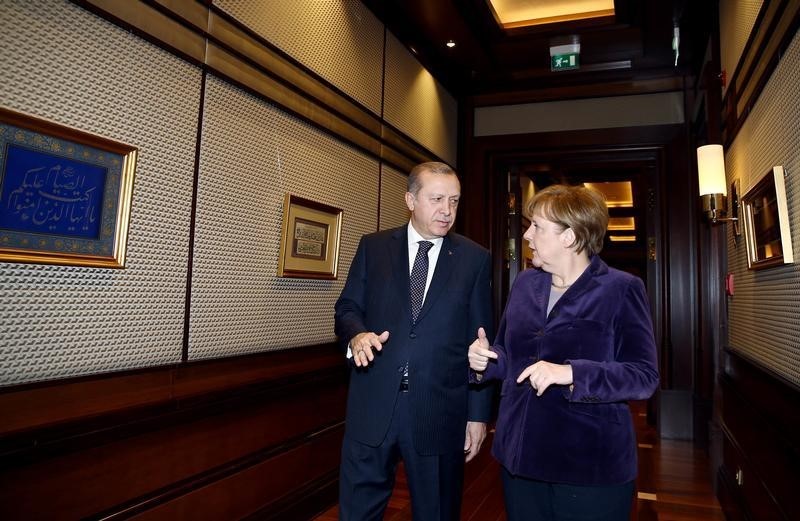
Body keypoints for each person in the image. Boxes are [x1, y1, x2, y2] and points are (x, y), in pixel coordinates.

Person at [468, 184, 659, 521]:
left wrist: (570, 373)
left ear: (570, 237)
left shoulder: (622, 289)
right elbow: (509, 356)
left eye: (537, 227)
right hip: (520, 458)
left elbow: (643, 376)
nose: (526, 235)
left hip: (588, 465)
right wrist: (485, 360)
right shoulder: (525, 284)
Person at [334, 161, 494, 520]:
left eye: (454, 201)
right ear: (410, 199)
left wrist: (478, 415)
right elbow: (347, 307)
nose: (447, 210)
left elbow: (483, 342)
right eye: (437, 199)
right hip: (372, 406)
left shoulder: (474, 259)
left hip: (438, 411)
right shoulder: (373, 248)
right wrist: (357, 333)